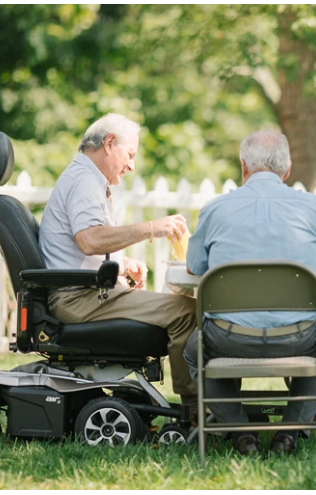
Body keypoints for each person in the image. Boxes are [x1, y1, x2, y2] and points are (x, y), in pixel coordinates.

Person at [183, 130, 316, 457]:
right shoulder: (314, 208)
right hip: (299, 337)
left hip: (228, 338)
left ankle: (241, 431)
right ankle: (289, 431)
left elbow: (195, 267)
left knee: (193, 351)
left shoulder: (215, 209)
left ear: (243, 167)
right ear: (286, 170)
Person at [38, 113, 200, 418]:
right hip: (78, 299)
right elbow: (88, 240)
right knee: (186, 311)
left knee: (181, 305)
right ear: (109, 143)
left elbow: (79, 248)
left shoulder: (84, 178)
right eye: (130, 154)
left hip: (84, 294)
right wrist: (152, 228)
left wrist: (122, 264)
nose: (132, 165)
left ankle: (195, 403)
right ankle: (193, 410)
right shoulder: (84, 180)